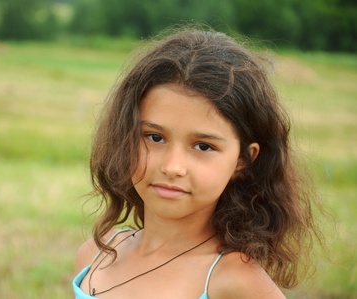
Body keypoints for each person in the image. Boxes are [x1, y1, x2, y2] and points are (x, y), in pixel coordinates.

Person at [73, 28, 322, 298]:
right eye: (155, 137)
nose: (172, 166)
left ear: (243, 160)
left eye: (204, 146)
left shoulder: (233, 280)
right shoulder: (95, 254)